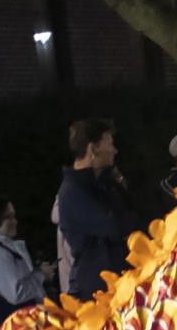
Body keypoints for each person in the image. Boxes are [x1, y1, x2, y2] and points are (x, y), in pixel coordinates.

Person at [57, 119, 139, 302]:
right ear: (93, 149)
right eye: (109, 143)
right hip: (98, 293)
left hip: (121, 282)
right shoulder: (73, 192)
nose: (114, 150)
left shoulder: (106, 183)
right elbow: (115, 226)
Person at [0, 196, 54, 306]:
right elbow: (16, 294)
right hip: (19, 319)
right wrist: (41, 275)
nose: (15, 221)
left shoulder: (5, 248)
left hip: (26, 317)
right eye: (9, 217)